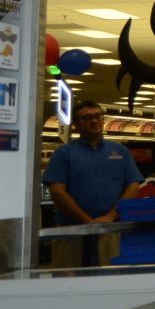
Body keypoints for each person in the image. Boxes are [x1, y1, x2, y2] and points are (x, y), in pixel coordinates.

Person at [42, 100, 144, 266]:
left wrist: (110, 217)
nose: (94, 121)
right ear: (76, 124)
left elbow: (133, 186)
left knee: (109, 282)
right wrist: (88, 221)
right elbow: (57, 192)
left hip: (110, 231)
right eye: (87, 118)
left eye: (98, 116)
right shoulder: (64, 154)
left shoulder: (121, 152)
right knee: (69, 285)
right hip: (72, 231)